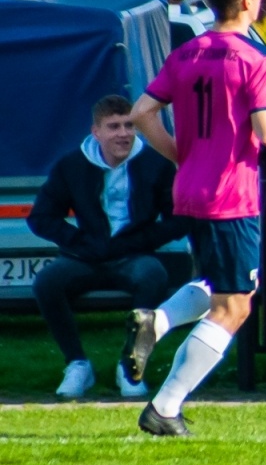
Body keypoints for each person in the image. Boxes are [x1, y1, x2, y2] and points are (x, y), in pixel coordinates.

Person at [123, 0, 266, 436]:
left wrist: (181, 154)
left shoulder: (187, 53)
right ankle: (165, 407)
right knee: (235, 305)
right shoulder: (257, 58)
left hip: (191, 190)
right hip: (230, 195)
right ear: (246, 0)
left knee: (217, 284)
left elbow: (141, 111)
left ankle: (155, 322)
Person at [27, 95, 190, 398]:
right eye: (113, 127)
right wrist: (80, 242)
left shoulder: (155, 164)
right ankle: (77, 364)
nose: (123, 134)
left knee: (153, 275)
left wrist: (138, 241)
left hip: (133, 254)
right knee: (47, 282)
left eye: (129, 125)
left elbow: (178, 218)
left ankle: (130, 365)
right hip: (87, 255)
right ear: (96, 132)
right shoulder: (71, 166)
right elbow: (42, 217)